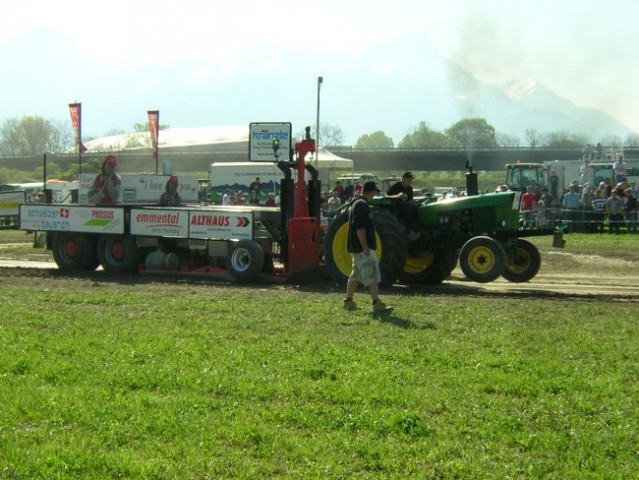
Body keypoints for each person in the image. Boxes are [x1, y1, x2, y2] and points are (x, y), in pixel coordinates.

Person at [344, 181, 393, 314]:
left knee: (355, 275)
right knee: (372, 273)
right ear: (371, 192)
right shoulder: (362, 205)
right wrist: (365, 247)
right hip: (363, 248)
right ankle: (376, 303)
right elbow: (360, 228)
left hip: (357, 248)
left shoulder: (356, 203)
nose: (374, 195)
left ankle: (348, 301)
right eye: (374, 193)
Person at [386, 171, 419, 242]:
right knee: (407, 210)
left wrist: (414, 202)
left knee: (417, 208)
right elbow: (387, 196)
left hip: (406, 204)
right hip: (396, 206)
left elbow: (410, 199)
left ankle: (416, 229)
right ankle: (408, 232)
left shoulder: (410, 188)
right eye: (408, 180)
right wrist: (397, 196)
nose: (410, 182)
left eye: (411, 180)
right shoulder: (396, 186)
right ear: (403, 179)